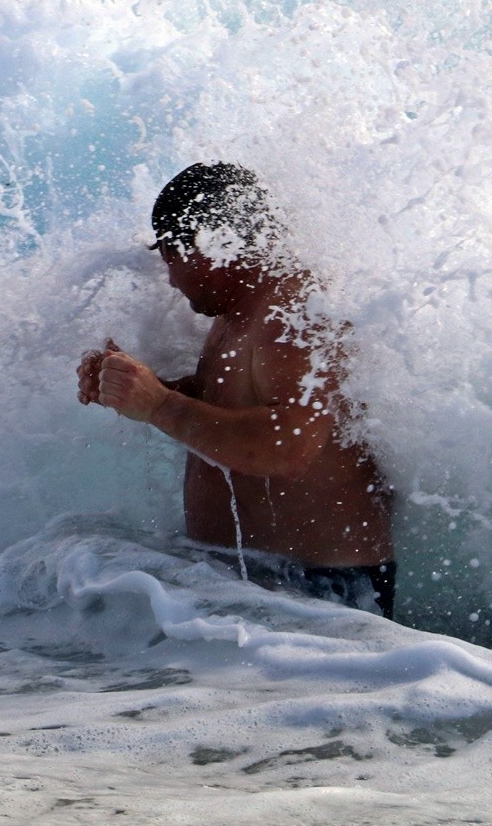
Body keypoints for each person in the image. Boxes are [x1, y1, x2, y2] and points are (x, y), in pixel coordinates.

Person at [77, 163, 395, 617]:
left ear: (208, 244)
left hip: (320, 588)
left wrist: (160, 404)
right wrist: (137, 387)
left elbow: (288, 446)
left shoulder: (292, 312)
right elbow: (233, 405)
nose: (170, 278)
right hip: (260, 577)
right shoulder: (242, 310)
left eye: (170, 258)